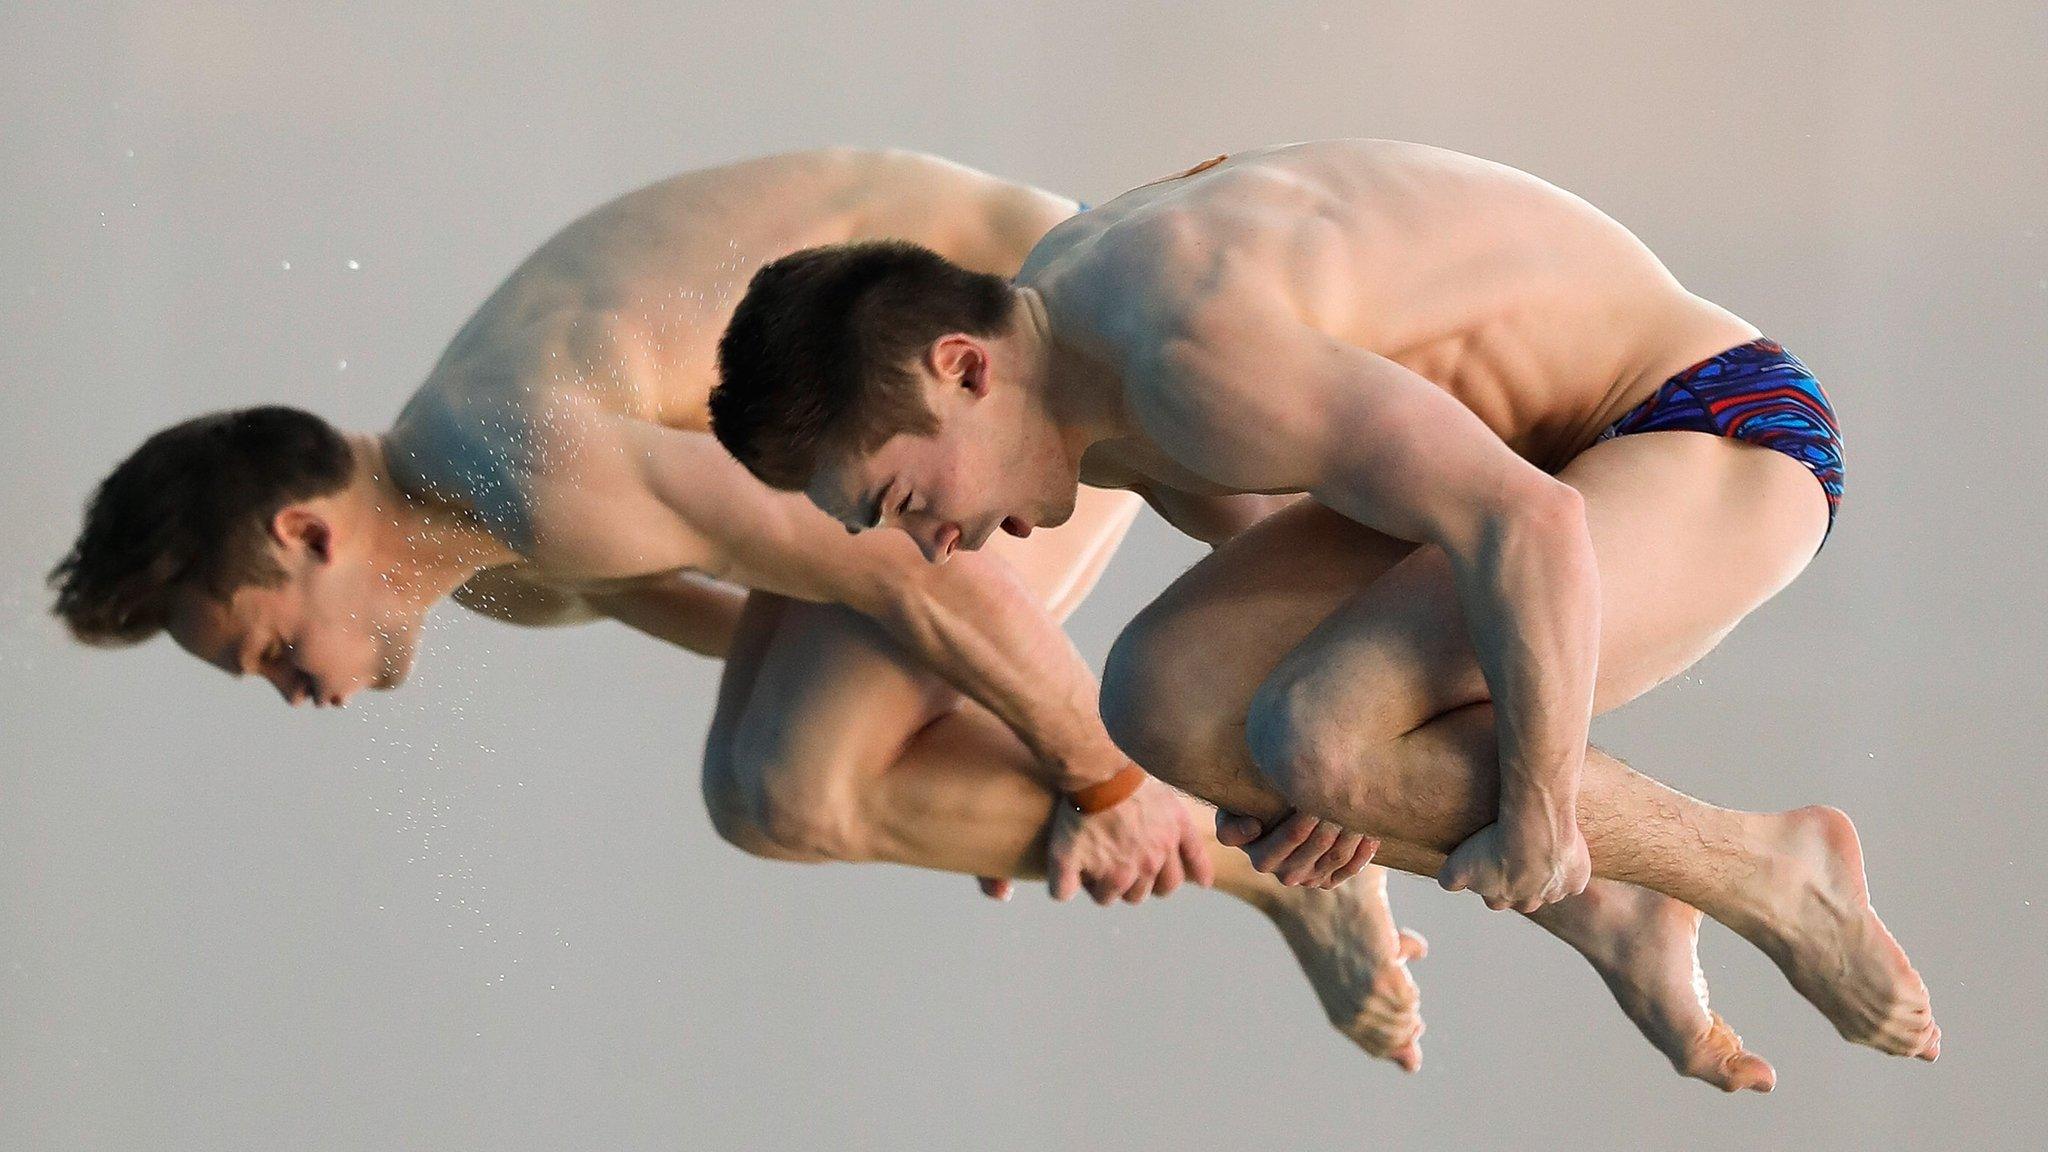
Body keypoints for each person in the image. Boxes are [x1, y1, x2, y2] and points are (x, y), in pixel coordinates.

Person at [51, 148, 1436, 1066]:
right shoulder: (498, 560)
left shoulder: (524, 467)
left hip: (1016, 357)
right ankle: (1293, 838)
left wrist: (1100, 774)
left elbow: (909, 575)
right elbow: (809, 603)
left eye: (273, 650)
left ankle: (1281, 858)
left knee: (783, 786)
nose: (301, 694)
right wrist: (971, 769)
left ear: (306, 532)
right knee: (785, 781)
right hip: (918, 414)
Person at [708, 140, 1940, 1087]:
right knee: (1164, 708)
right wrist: (1310, 798)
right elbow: (1266, 578)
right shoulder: (1075, 352)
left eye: (905, 499)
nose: (932, 546)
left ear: (962, 370)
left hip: (1707, 427)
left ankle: (1774, 874)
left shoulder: (1186, 349)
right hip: (1530, 468)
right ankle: (1614, 915)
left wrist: (1541, 813)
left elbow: (1530, 529)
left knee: (1318, 730)